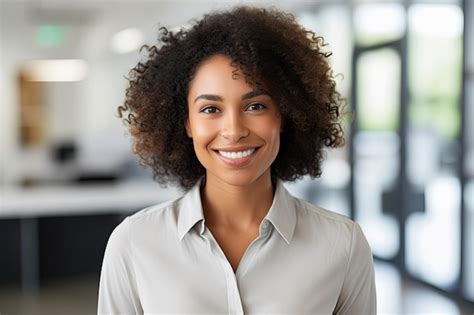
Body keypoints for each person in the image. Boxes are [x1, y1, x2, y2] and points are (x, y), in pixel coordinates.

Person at [98, 5, 376, 314]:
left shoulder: (343, 245)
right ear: (186, 123)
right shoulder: (134, 242)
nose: (233, 130)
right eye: (210, 109)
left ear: (284, 115)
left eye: (255, 106)